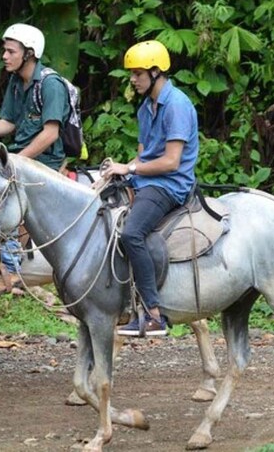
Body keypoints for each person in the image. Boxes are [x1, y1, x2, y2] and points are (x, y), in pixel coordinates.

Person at [0, 23, 70, 296]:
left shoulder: (50, 84)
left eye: (11, 51)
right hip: (18, 156)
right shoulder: (15, 81)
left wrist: (15, 162)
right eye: (5, 50)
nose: (5, 57)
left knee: (5, 194)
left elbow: (50, 133)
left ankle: (11, 269)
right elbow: (8, 123)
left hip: (45, 159)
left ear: (30, 53)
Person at [102, 40, 199, 336]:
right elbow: (143, 156)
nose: (133, 79)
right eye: (132, 73)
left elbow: (170, 162)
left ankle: (154, 314)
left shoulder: (178, 106)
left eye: (138, 73)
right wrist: (112, 173)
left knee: (132, 233)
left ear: (157, 72)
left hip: (170, 185)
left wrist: (129, 169)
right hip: (147, 178)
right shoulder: (146, 107)